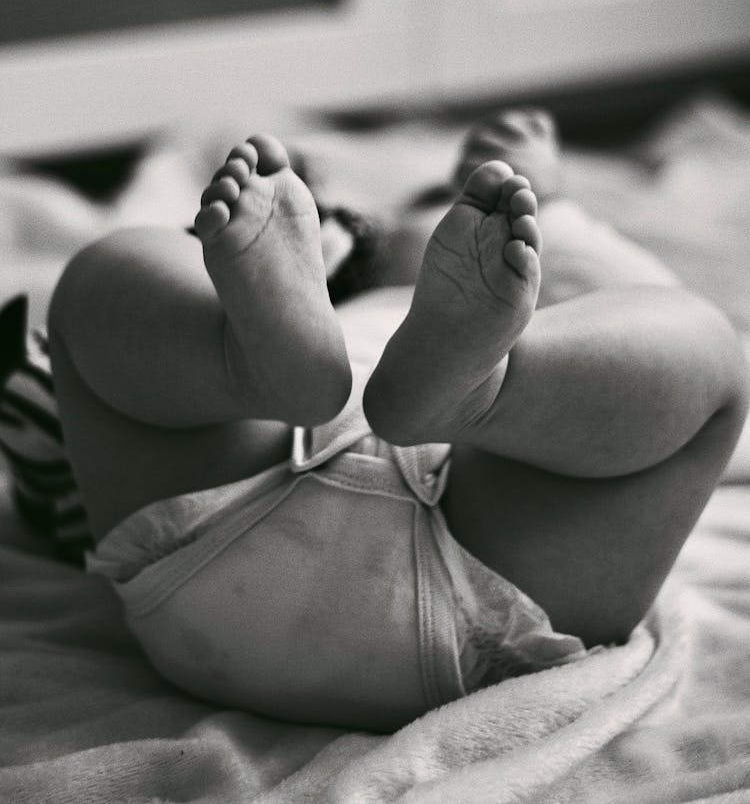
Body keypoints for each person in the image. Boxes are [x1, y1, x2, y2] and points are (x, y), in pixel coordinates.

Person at [43, 110, 748, 730]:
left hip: (212, 577)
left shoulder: (519, 304)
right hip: (501, 579)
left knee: (99, 284)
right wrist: (554, 208)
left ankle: (256, 363)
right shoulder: (336, 280)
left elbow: (612, 301)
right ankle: (460, 389)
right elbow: (632, 300)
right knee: (701, 347)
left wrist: (552, 214)